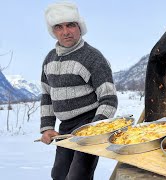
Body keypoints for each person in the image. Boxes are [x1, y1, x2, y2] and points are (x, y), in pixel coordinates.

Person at [39, 1, 118, 180]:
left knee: (78, 176)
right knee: (58, 175)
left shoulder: (93, 57)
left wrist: (94, 128)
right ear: (53, 31)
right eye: (59, 27)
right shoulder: (49, 60)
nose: (65, 31)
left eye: (70, 25)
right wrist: (47, 127)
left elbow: (109, 99)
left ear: (79, 27)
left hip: (89, 123)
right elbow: (46, 95)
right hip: (65, 128)